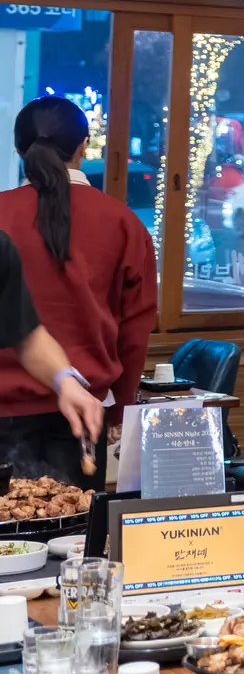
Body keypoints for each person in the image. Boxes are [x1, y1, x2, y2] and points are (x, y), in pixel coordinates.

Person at [0, 98, 152, 484]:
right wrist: (120, 408)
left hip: (5, 412)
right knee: (77, 522)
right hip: (85, 411)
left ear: (19, 150)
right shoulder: (124, 223)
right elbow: (135, 329)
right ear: (84, 146)